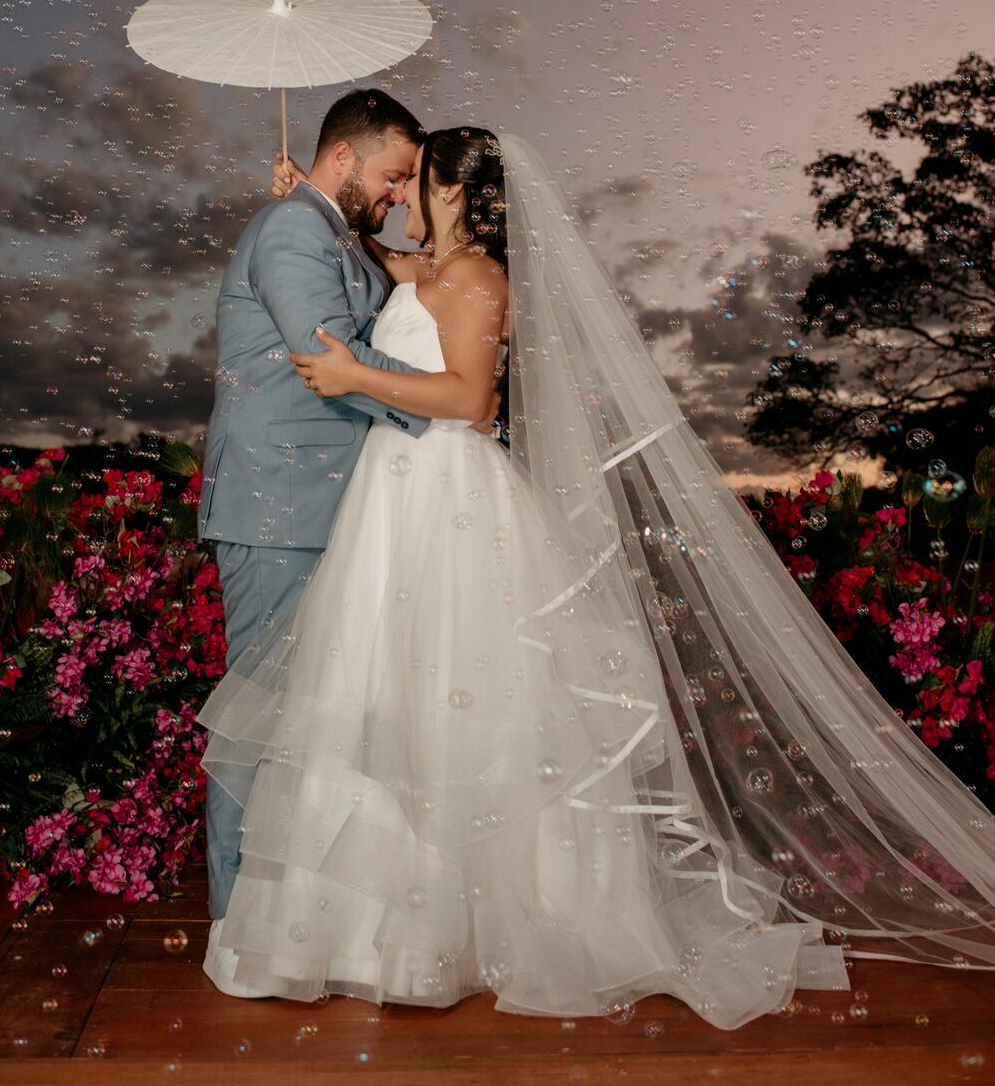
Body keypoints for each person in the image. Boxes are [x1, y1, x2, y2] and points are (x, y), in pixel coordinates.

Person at [197, 128, 995, 1026]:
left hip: (444, 494)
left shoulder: (479, 280)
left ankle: (456, 928)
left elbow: (472, 400)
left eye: (415, 180)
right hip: (392, 498)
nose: (400, 196)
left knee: (460, 696)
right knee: (383, 695)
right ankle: (368, 924)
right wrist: (309, 193)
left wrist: (348, 370)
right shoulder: (430, 270)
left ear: (453, 189)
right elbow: (376, 252)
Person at [198, 90, 494, 997]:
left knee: (319, 720)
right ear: (344, 158)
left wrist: (335, 222)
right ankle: (241, 923)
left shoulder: (317, 229)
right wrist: (452, 403)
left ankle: (304, 921)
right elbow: (329, 355)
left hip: (340, 512)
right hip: (282, 511)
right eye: (392, 173)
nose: (401, 191)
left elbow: (381, 279)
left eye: (413, 179)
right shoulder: (293, 231)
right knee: (261, 718)